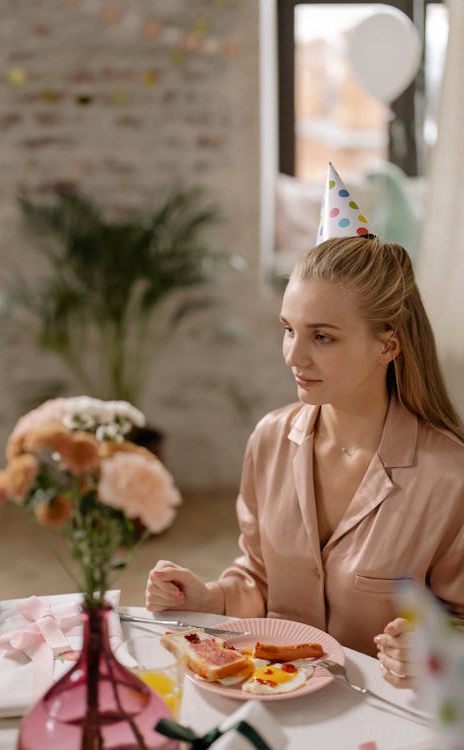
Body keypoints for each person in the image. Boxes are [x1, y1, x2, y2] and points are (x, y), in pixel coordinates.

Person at [145, 165, 464, 690]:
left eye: (322, 337)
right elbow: (259, 579)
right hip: (275, 701)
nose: (293, 354)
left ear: (387, 345)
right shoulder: (269, 439)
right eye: (289, 329)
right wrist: (207, 598)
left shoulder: (448, 477)